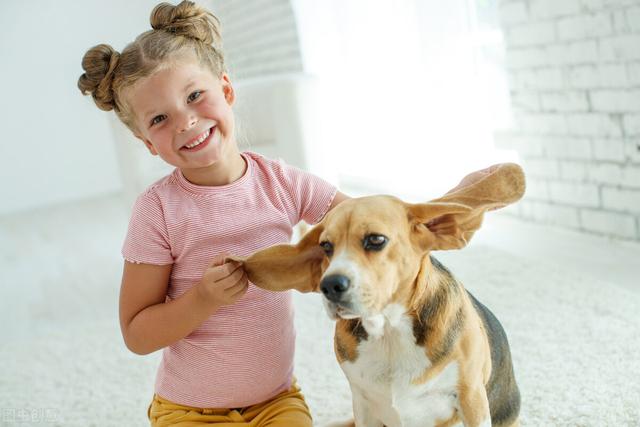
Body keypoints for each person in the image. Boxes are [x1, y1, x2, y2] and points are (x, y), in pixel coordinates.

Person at [78, 1, 503, 425]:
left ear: (226, 90)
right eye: (159, 119)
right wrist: (201, 300)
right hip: (188, 409)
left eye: (194, 96)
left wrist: (433, 217)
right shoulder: (156, 211)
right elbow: (137, 333)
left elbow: (367, 222)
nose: (185, 122)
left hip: (275, 403)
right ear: (148, 143)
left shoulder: (282, 182)